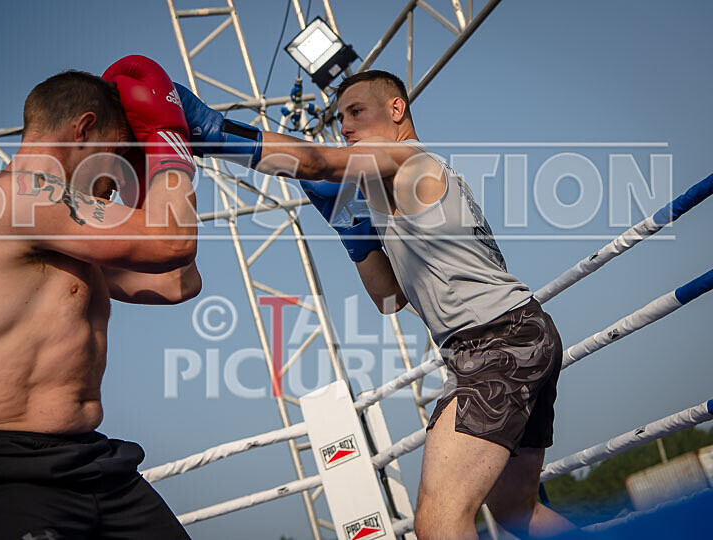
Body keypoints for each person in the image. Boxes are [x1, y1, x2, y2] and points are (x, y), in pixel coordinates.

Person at [174, 70, 577, 538]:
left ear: (396, 110)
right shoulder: (400, 185)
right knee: (513, 509)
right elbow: (390, 297)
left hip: (496, 345)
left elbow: (317, 162)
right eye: (341, 116)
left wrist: (219, 134)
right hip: (509, 338)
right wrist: (355, 234)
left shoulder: (402, 157)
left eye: (356, 112)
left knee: (439, 520)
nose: (344, 125)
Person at [0, 57, 200, 539]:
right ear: (84, 130)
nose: (118, 180)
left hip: (89, 461)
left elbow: (178, 280)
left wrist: (152, 166)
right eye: (116, 154)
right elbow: (172, 241)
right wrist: (169, 146)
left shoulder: (68, 229)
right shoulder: (13, 198)